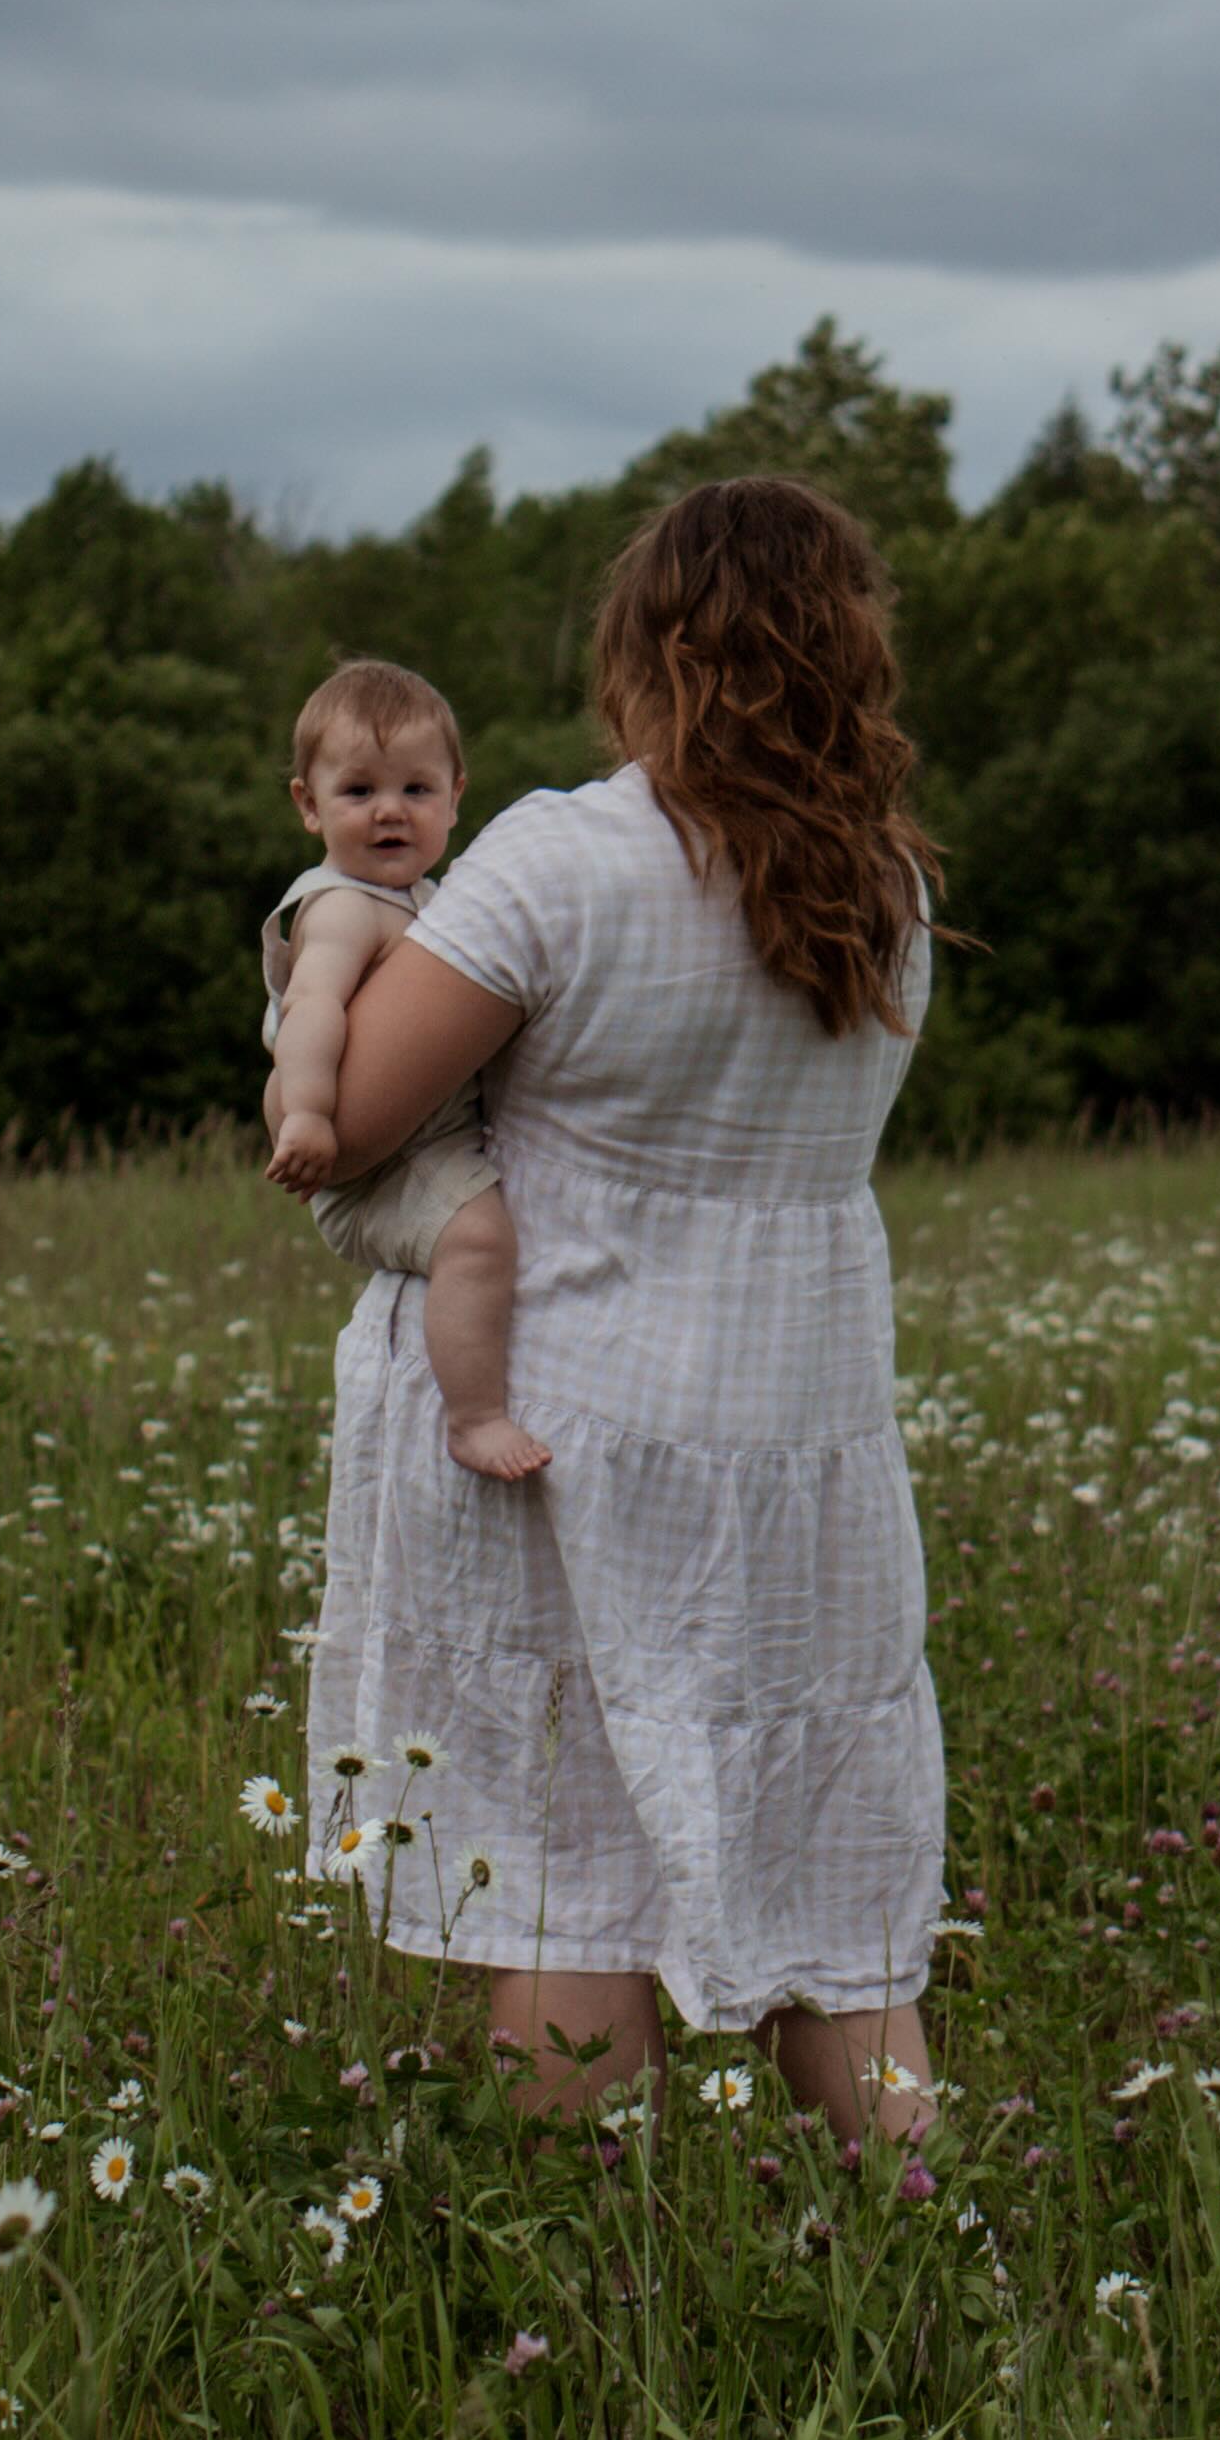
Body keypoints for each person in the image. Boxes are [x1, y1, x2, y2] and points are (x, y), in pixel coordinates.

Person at [299, 477, 943, 2148]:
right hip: (795, 1433)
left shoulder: (566, 860)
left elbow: (351, 1122)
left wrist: (331, 944)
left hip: (556, 1425)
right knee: (823, 1848)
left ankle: (578, 2308)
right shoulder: (883, 889)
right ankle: (917, 2260)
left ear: (643, 650)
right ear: (846, 656)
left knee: (558, 1864)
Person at [260, 662, 546, 1482]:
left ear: (457, 798)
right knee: (479, 1237)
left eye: (417, 790)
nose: (390, 810)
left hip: (422, 1140)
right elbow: (312, 1010)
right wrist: (310, 1116)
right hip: (371, 1171)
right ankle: (474, 1417)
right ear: (308, 807)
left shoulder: (429, 899)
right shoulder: (342, 907)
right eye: (358, 792)